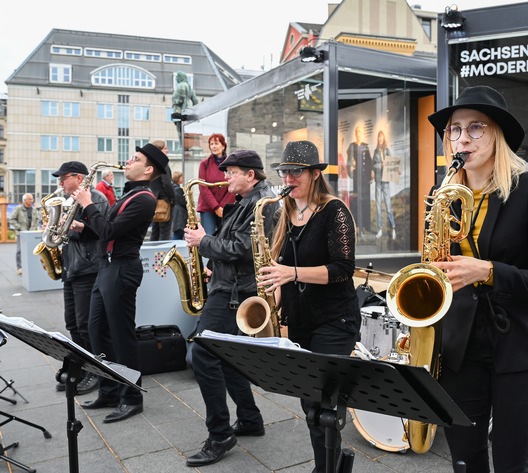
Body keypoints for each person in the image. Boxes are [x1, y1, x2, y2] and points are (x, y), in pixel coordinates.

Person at [425, 85, 528, 472]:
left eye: (475, 128)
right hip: (459, 348)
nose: (462, 138)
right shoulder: (443, 193)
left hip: (518, 345)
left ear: (498, 133)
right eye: (454, 129)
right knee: (465, 462)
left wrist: (486, 271)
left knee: (510, 462)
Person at [260, 140, 360, 473]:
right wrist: (270, 303)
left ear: (315, 174)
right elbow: (281, 272)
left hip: (335, 318)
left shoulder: (335, 211)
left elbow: (343, 269)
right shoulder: (284, 211)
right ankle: (327, 464)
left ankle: (327, 468)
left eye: (295, 172)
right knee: (311, 406)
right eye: (284, 171)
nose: (288, 178)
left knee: (322, 402)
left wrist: (293, 273)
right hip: (300, 320)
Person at [182, 150, 271, 467]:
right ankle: (249, 418)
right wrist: (212, 264)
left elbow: (242, 249)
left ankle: (219, 433)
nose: (225, 177)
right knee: (229, 356)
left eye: (231, 172)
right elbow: (233, 246)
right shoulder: (248, 201)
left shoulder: (261, 204)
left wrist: (203, 241)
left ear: (250, 174)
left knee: (203, 354)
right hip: (229, 285)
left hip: (234, 291)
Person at [73, 143, 169, 423]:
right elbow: (106, 230)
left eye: (135, 159)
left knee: (121, 335)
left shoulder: (144, 199)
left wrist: (88, 205)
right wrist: (84, 224)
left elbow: (111, 230)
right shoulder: (130, 194)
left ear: (148, 169)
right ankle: (110, 389)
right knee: (96, 330)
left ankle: (132, 396)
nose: (128, 161)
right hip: (107, 267)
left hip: (122, 268)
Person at [51, 161, 110, 395]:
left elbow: (103, 232)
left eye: (63, 177)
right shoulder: (67, 201)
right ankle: (81, 367)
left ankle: (94, 372)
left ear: (78, 177)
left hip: (88, 267)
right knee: (73, 324)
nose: (60, 182)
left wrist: (79, 227)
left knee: (86, 326)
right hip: (71, 268)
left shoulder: (97, 199)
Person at [198, 133, 235, 236]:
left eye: (216, 143)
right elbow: (203, 187)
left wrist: (222, 207)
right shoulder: (204, 164)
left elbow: (233, 185)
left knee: (224, 237)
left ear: (223, 146)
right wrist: (216, 207)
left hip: (225, 208)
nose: (213, 146)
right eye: (211, 144)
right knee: (208, 237)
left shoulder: (231, 164)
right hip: (208, 207)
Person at [346, 126, 373, 234]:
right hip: (356, 178)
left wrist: (371, 172)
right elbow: (349, 161)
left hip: (365, 177)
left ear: (362, 134)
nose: (359, 134)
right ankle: (356, 224)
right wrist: (350, 167)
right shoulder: (351, 146)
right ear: (355, 133)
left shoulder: (366, 146)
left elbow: (369, 161)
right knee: (356, 200)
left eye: (360, 132)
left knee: (365, 200)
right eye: (357, 132)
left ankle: (366, 225)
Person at [148, 140, 176, 241]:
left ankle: (152, 254)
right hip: (164, 201)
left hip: (154, 200)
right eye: (165, 148)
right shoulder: (163, 163)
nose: (167, 150)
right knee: (165, 231)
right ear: (159, 150)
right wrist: (172, 199)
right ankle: (164, 254)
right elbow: (167, 183)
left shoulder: (151, 164)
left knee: (155, 230)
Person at [372, 130, 396, 239]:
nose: (380, 139)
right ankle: (380, 229)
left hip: (386, 182)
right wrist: (380, 165)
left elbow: (392, 164)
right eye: (379, 137)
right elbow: (373, 165)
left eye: (381, 137)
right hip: (378, 181)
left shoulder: (387, 150)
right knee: (378, 206)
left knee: (388, 206)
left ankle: (393, 228)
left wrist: (391, 167)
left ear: (384, 138)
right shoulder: (376, 151)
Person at [9, 193, 40, 275]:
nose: (32, 200)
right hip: (21, 234)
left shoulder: (34, 210)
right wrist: (20, 228)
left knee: (32, 251)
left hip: (31, 234)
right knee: (19, 251)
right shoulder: (18, 208)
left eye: (32, 199)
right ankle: (19, 268)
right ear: (24, 200)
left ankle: (30, 267)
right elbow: (12, 219)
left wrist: (33, 228)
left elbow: (37, 220)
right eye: (30, 199)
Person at [171, 171, 187, 240]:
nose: (183, 179)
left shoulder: (173, 188)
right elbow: (183, 202)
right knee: (178, 234)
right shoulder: (178, 189)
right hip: (180, 215)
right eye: (181, 177)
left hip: (177, 214)